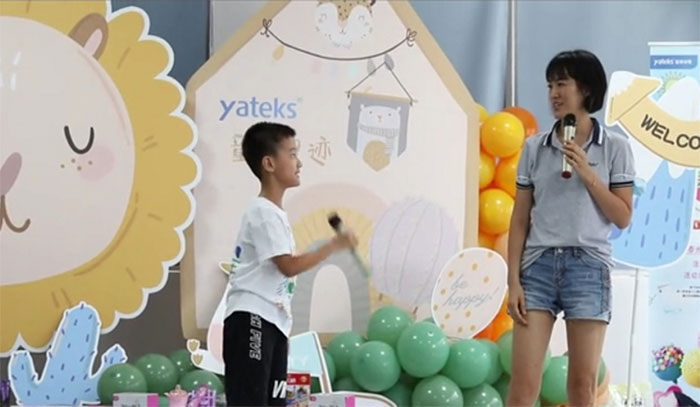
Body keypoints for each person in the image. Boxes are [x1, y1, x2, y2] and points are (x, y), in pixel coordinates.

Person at [505, 50, 635, 407]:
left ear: (586, 89)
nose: (554, 93)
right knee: (523, 387)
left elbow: (623, 216)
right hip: (538, 267)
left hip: (588, 268)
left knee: (581, 386)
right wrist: (513, 281)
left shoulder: (615, 147)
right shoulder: (535, 148)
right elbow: (519, 219)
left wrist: (588, 174)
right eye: (550, 85)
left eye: (562, 84)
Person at [222, 122, 357, 406]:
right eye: (292, 154)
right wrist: (333, 245)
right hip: (252, 318)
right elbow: (288, 266)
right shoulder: (262, 212)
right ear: (269, 163)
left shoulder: (274, 214)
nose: (299, 163)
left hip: (273, 322)